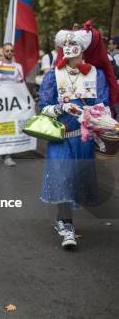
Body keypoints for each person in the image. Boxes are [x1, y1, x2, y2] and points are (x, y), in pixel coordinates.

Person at [38, 28, 110, 249]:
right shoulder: (53, 75)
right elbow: (43, 107)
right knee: (63, 178)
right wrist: (60, 107)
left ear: (83, 50)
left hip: (84, 138)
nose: (69, 50)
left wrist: (89, 113)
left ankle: (63, 220)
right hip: (60, 137)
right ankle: (66, 225)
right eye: (65, 46)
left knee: (76, 180)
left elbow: (104, 105)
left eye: (74, 46)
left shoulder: (96, 75)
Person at [0, 43, 24, 167]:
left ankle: (8, 156)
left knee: (10, 127)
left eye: (11, 51)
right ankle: (0, 148)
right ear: (2, 52)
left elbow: (21, 85)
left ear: (14, 53)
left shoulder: (18, 67)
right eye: (7, 50)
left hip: (12, 102)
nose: (9, 53)